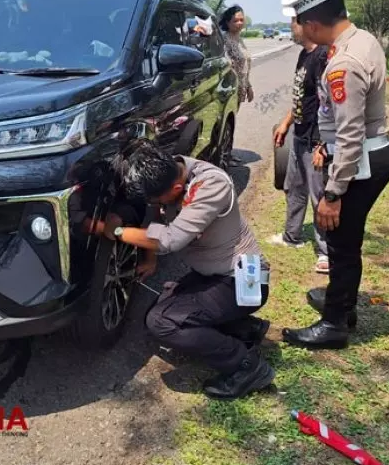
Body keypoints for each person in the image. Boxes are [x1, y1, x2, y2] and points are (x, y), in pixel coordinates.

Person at [102, 139, 274, 400]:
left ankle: (245, 365)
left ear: (177, 187)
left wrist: (116, 231)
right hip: (217, 274)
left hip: (244, 281)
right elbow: (157, 214)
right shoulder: (171, 169)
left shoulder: (210, 186)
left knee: (163, 322)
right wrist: (150, 258)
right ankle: (244, 330)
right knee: (162, 307)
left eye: (156, 198)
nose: (153, 203)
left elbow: (170, 239)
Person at [278, 0, 389, 350]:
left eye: (300, 24)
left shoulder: (343, 63)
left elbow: (350, 134)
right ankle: (342, 306)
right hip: (371, 153)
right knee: (347, 238)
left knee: (342, 240)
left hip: (361, 158)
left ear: (312, 24)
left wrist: (332, 192)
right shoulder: (360, 39)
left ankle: (334, 324)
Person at [269, 15, 330, 274]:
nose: (290, 28)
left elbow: (329, 105)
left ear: (307, 25)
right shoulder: (304, 55)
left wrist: (324, 143)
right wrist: (286, 123)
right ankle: (291, 235)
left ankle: (325, 251)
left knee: (319, 196)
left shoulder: (322, 57)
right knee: (293, 188)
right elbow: (300, 99)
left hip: (315, 139)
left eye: (293, 23)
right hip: (299, 134)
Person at [219, 5, 254, 106]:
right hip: (229, 89)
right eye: (235, 21)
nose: (239, 23)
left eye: (241, 20)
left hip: (240, 88)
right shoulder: (224, 40)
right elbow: (225, 64)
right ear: (227, 22)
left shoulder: (240, 40)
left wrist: (248, 86)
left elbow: (245, 66)